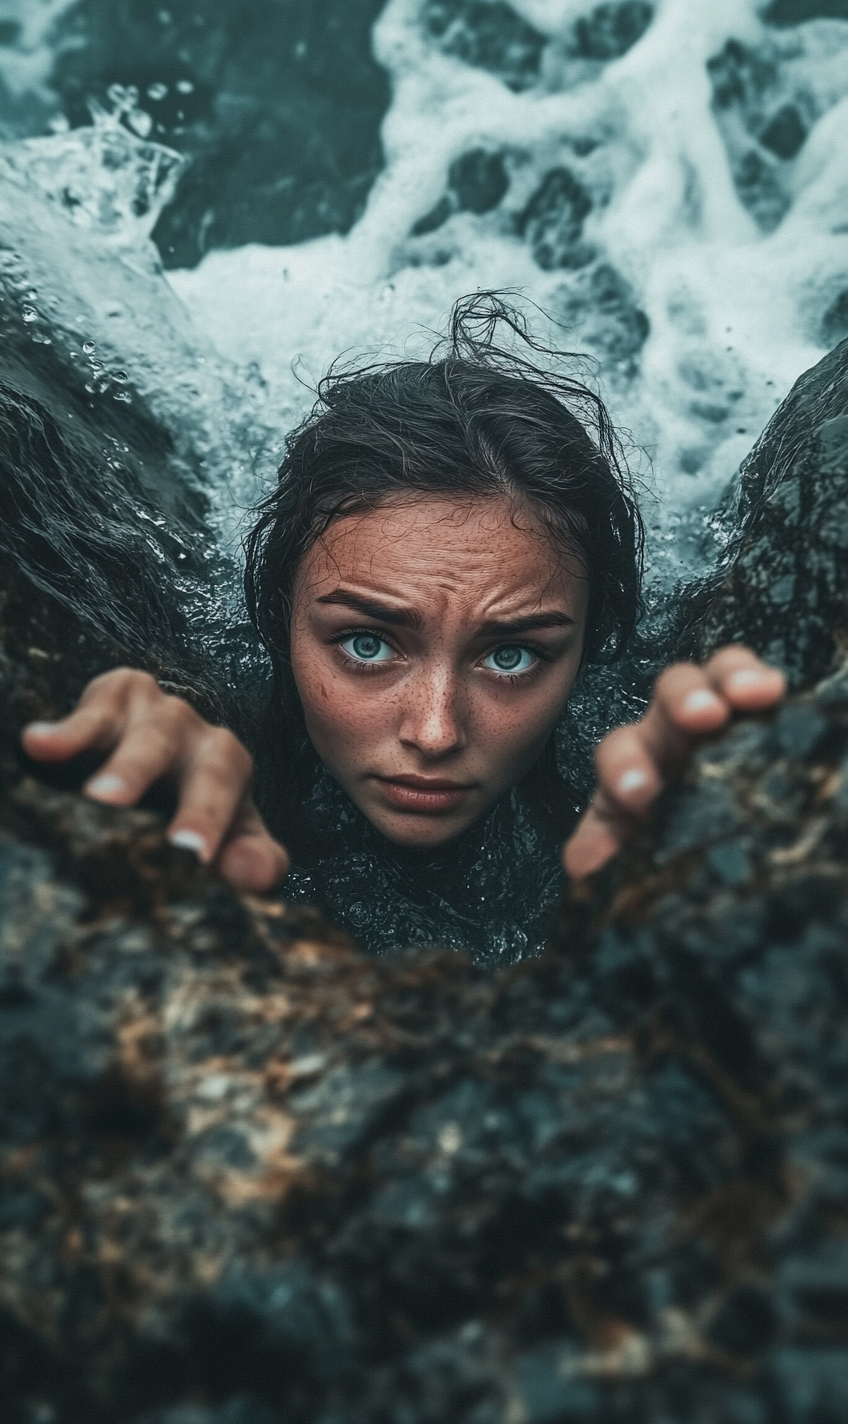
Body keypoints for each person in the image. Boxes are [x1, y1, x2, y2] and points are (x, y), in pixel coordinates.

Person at [20, 297, 785, 962]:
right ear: (277, 615)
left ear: (589, 647)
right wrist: (99, 778)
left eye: (512, 655)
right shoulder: (223, 748)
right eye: (368, 644)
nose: (434, 731)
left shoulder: (630, 757)